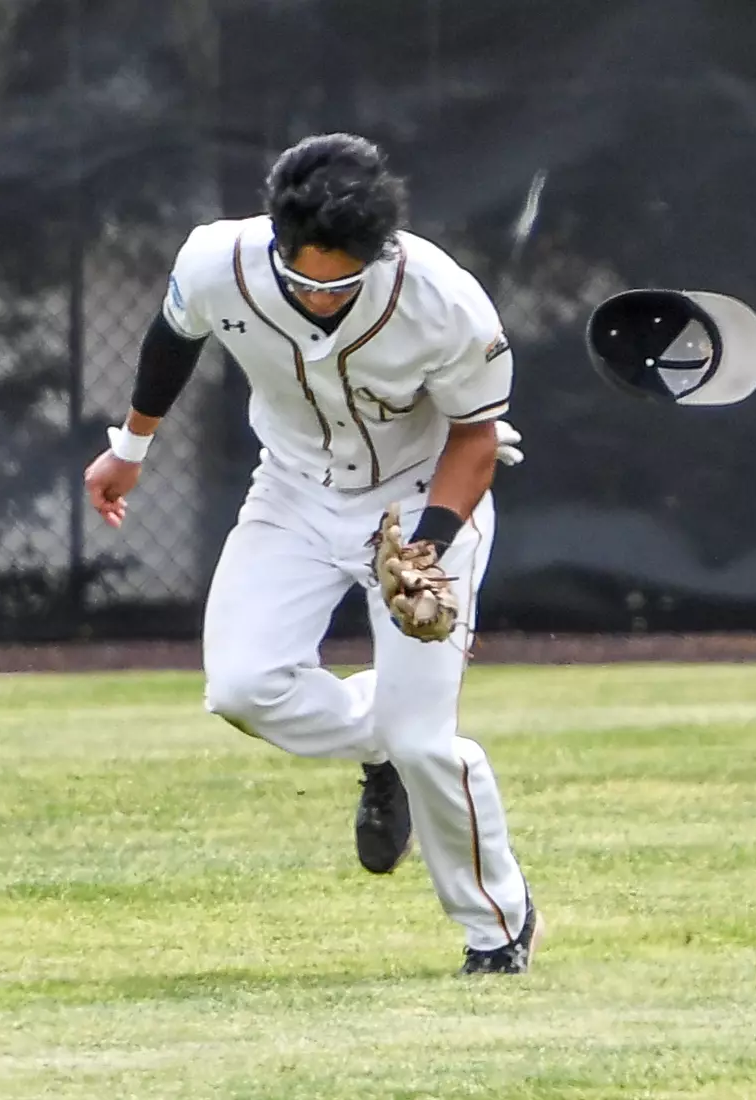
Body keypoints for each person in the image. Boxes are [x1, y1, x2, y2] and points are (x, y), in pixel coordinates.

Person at [82, 132, 538, 974]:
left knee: (427, 740)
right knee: (243, 688)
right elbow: (172, 337)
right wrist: (130, 449)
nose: (323, 296)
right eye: (305, 278)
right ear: (275, 238)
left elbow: (476, 438)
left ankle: (497, 929)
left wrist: (428, 552)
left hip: (420, 496)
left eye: (345, 281)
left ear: (380, 252)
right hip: (291, 487)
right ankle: (383, 747)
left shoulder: (444, 300)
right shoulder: (218, 261)